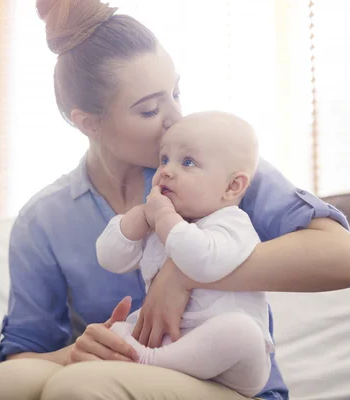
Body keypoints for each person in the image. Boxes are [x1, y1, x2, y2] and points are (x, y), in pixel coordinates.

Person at [0, 0, 350, 399]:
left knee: (83, 386)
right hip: (118, 370)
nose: (176, 118)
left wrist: (183, 274)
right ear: (88, 122)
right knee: (1, 387)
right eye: (149, 110)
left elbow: (348, 259)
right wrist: (80, 350)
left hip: (229, 384)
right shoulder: (44, 219)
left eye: (175, 92)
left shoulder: (219, 168)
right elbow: (22, 359)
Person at [97, 111, 272, 397]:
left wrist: (164, 218)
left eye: (187, 162)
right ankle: (146, 356)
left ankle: (148, 360)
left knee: (242, 332)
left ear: (232, 186)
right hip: (173, 342)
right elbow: (110, 258)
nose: (166, 171)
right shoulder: (158, 223)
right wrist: (139, 218)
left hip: (234, 366)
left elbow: (201, 262)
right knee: (115, 331)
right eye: (164, 159)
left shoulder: (232, 222)